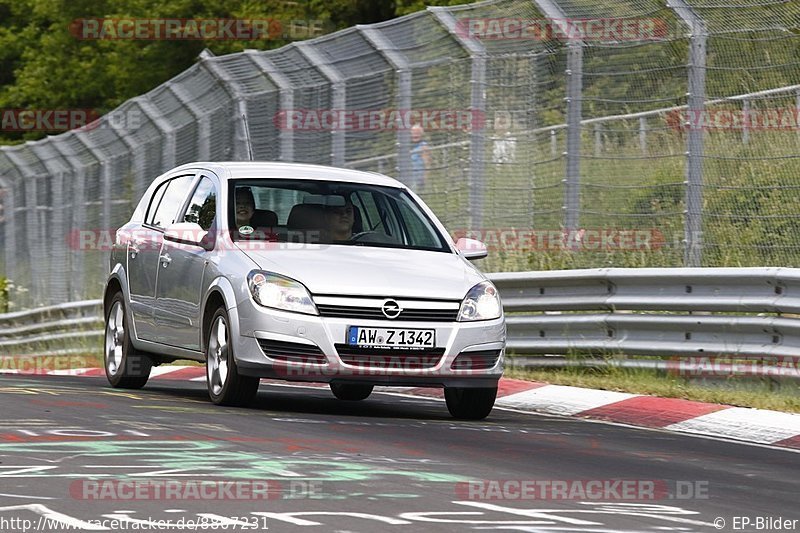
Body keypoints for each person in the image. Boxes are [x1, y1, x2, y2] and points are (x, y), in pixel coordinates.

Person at [410, 124, 431, 191]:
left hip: (419, 178)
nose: (415, 135)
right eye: (413, 133)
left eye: (417, 133)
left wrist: (425, 177)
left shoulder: (423, 146)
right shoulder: (410, 147)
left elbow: (427, 163)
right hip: (410, 177)